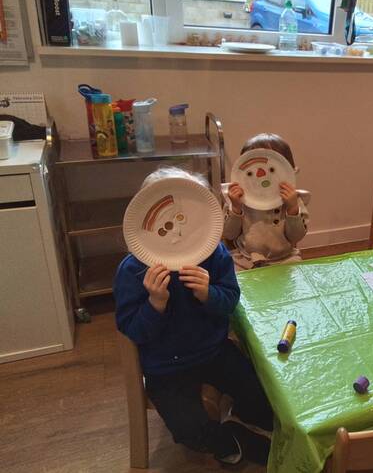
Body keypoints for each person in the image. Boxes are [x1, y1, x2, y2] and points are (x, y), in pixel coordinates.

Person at [114, 167, 273, 466]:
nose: (177, 230)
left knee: (264, 397)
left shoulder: (213, 254)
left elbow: (230, 301)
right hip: (165, 367)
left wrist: (208, 294)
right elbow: (132, 330)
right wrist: (155, 304)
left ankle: (244, 420)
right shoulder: (132, 270)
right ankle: (235, 440)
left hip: (214, 351)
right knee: (188, 430)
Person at [223, 133, 308, 269]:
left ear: (289, 171)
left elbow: (296, 237)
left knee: (298, 277)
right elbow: (229, 234)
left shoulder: (293, 200)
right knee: (232, 276)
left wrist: (292, 209)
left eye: (272, 170)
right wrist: (236, 208)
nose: (261, 175)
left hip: (285, 258)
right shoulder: (238, 199)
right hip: (245, 258)